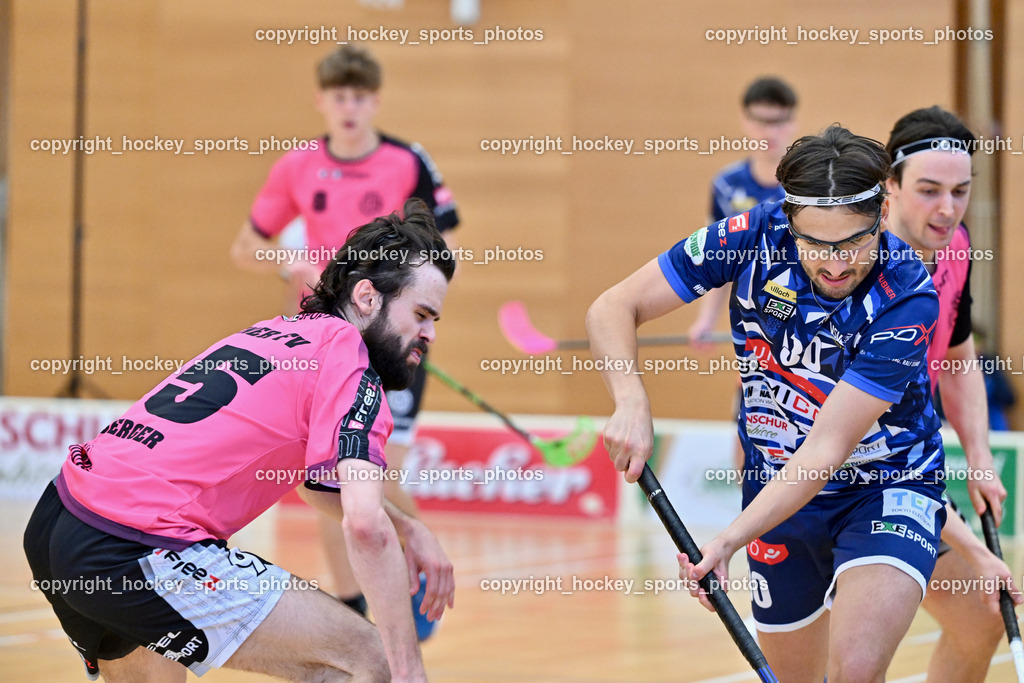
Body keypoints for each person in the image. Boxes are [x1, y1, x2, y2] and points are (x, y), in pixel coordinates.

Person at [588, 125, 984, 681]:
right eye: (815, 243)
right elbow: (612, 307)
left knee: (857, 667)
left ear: (882, 210)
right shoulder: (749, 234)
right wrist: (630, 400)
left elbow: (826, 447)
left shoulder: (907, 293)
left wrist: (727, 539)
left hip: (885, 485)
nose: (836, 263)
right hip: (779, 493)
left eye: (853, 240)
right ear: (788, 220)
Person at [24, 200, 456, 682]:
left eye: (434, 320)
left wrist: (408, 527)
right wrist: (410, 670)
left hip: (59, 524)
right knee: (366, 662)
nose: (429, 334)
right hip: (138, 545)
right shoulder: (351, 365)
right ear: (368, 297)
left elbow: (317, 485)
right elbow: (362, 526)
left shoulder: (274, 332)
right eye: (421, 314)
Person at [230, 44, 459, 637]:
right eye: (338, 97)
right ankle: (355, 605)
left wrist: (414, 317)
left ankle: (410, 578)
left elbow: (438, 246)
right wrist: (293, 261)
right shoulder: (297, 165)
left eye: (359, 97)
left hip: (386, 345)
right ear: (321, 101)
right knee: (329, 470)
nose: (349, 107)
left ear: (375, 101)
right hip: (321, 346)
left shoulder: (407, 160)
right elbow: (246, 247)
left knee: (384, 468)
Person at [884, 105, 1014, 682]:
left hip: (906, 471)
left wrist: (980, 460)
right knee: (858, 655)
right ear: (889, 186)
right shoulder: (863, 271)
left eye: (960, 191)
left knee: (975, 619)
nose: (947, 209)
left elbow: (958, 359)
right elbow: (873, 449)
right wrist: (981, 552)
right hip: (836, 485)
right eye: (929, 190)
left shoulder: (955, 248)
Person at [688, 77, 798, 348]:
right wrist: (706, 320)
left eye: (778, 122)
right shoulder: (725, 186)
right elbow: (719, 257)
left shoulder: (811, 186)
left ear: (793, 122)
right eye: (761, 121)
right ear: (744, 120)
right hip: (752, 323)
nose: (768, 132)